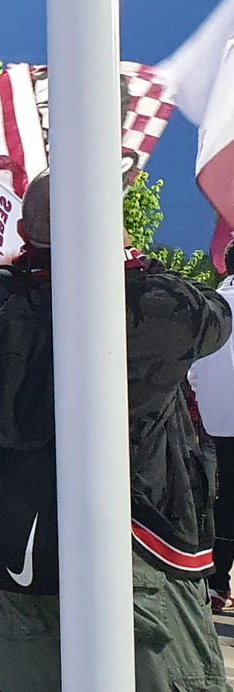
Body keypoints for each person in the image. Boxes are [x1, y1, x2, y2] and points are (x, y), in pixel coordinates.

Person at [0, 171, 229, 686]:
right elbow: (212, 316)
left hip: (14, 541)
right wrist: (129, 260)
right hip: (132, 544)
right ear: (112, 229)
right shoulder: (140, 301)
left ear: (21, 227)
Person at [190, 239, 234, 614]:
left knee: (218, 503)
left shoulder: (209, 305)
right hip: (217, 419)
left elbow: (192, 370)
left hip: (211, 424)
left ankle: (216, 584)